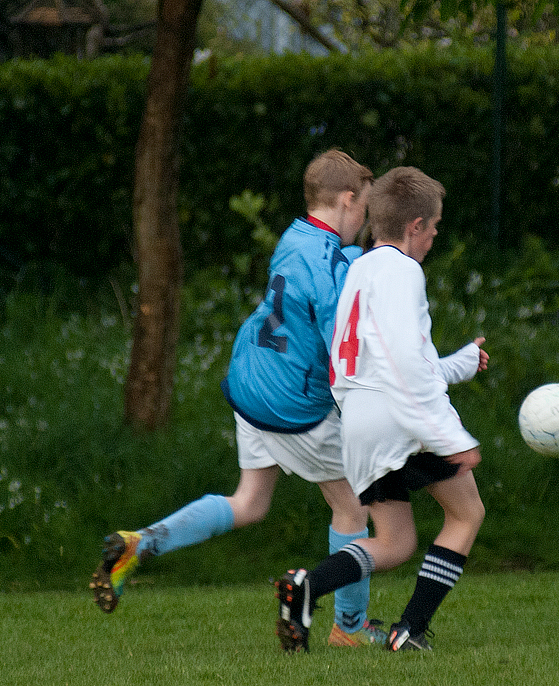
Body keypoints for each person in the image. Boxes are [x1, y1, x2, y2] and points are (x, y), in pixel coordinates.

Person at [91, 149, 387, 648]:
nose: (364, 224)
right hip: (290, 403)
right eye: (364, 212)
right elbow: (343, 350)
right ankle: (349, 630)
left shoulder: (295, 237)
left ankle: (140, 544)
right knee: (354, 508)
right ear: (347, 199)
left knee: (249, 502)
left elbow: (322, 276)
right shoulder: (333, 265)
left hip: (249, 380)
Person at [275, 166, 488, 653]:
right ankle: (410, 629)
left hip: (361, 423)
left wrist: (460, 363)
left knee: (394, 543)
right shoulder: (401, 270)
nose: (434, 237)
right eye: (433, 228)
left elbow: (383, 355)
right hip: (399, 417)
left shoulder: (361, 268)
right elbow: (404, 364)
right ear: (415, 226)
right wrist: (449, 437)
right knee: (466, 513)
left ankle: (306, 586)